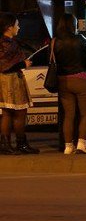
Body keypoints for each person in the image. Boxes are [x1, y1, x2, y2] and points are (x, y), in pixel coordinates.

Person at [53, 13, 86, 154]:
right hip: (80, 79)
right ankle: (82, 144)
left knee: (68, 115)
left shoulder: (54, 42)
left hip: (63, 81)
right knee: (85, 114)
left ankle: (68, 146)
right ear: (74, 25)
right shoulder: (80, 39)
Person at [0, 12, 38, 154]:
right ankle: (21, 144)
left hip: (3, 80)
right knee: (20, 113)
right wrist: (23, 63)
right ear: (9, 27)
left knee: (7, 113)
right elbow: (6, 65)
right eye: (17, 25)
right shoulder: (9, 43)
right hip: (12, 80)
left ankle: (5, 144)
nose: (19, 28)